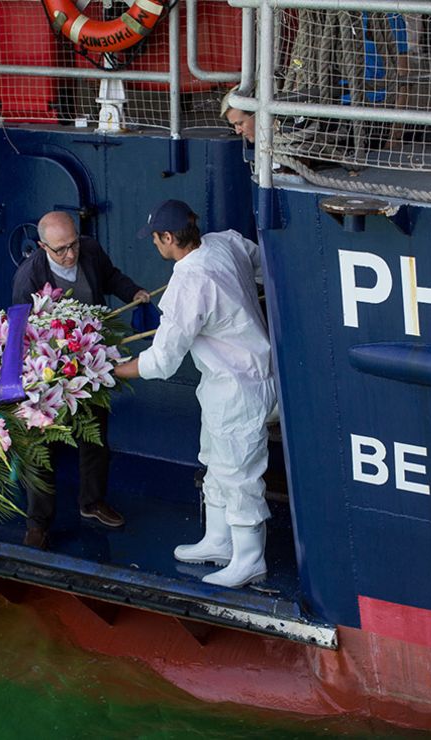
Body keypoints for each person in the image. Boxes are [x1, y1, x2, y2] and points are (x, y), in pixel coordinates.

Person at [114, 200, 276, 589]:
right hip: (241, 379)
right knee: (216, 460)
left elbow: (164, 361)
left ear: (169, 238)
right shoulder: (225, 243)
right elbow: (260, 262)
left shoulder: (188, 284)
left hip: (237, 386)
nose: (154, 244)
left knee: (238, 473)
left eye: (156, 239)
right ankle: (219, 542)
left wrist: (115, 371)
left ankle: (250, 560)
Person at [11, 211, 151, 548]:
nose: (70, 254)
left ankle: (92, 502)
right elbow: (19, 333)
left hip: (89, 357)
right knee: (40, 446)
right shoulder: (28, 278)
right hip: (47, 368)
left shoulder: (89, 249)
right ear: (43, 246)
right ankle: (38, 523)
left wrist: (133, 292)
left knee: (95, 435)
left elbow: (111, 277)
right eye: (60, 250)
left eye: (73, 244)